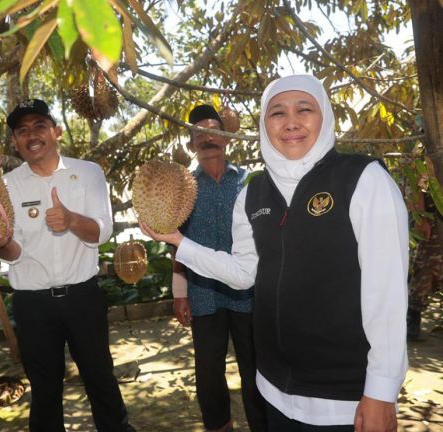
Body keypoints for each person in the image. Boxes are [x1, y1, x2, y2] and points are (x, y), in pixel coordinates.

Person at [140, 75, 408, 431]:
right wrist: (179, 242)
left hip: (346, 398)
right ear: (264, 125)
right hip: (274, 391)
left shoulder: (362, 178)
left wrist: (382, 390)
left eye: (305, 109)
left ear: (324, 116)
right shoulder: (252, 192)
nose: (291, 122)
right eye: (277, 113)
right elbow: (243, 272)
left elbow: (386, 292)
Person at [0, 99, 134, 432]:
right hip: (33, 304)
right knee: (45, 388)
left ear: (56, 131)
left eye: (39, 126)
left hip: (83, 297)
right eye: (22, 130)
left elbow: (102, 230)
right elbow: (15, 253)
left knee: (100, 378)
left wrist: (71, 219)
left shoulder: (87, 173)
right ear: (15, 141)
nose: (31, 135)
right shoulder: (6, 186)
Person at [172, 104, 266, 432]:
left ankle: (261, 424)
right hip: (203, 292)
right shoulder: (184, 188)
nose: (207, 138)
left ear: (226, 139)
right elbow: (176, 242)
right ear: (191, 144)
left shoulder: (248, 182)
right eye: (200, 134)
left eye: (214, 131)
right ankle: (219, 426)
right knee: (208, 371)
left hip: (247, 293)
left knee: (254, 367)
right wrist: (180, 293)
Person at [407, 176, 443, 340]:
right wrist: (420, 217)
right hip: (433, 217)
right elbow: (418, 181)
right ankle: (413, 316)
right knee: (425, 267)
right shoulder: (430, 151)